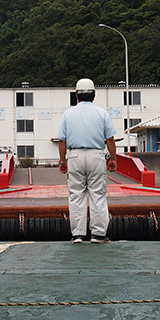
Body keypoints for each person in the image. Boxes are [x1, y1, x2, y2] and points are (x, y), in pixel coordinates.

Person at [58, 78, 117, 244]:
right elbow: (110, 140)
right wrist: (113, 158)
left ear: (76, 96)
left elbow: (62, 140)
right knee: (97, 195)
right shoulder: (102, 113)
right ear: (94, 95)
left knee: (76, 195)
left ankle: (77, 235)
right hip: (96, 156)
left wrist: (62, 161)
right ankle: (98, 235)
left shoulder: (68, 114)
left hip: (75, 156)